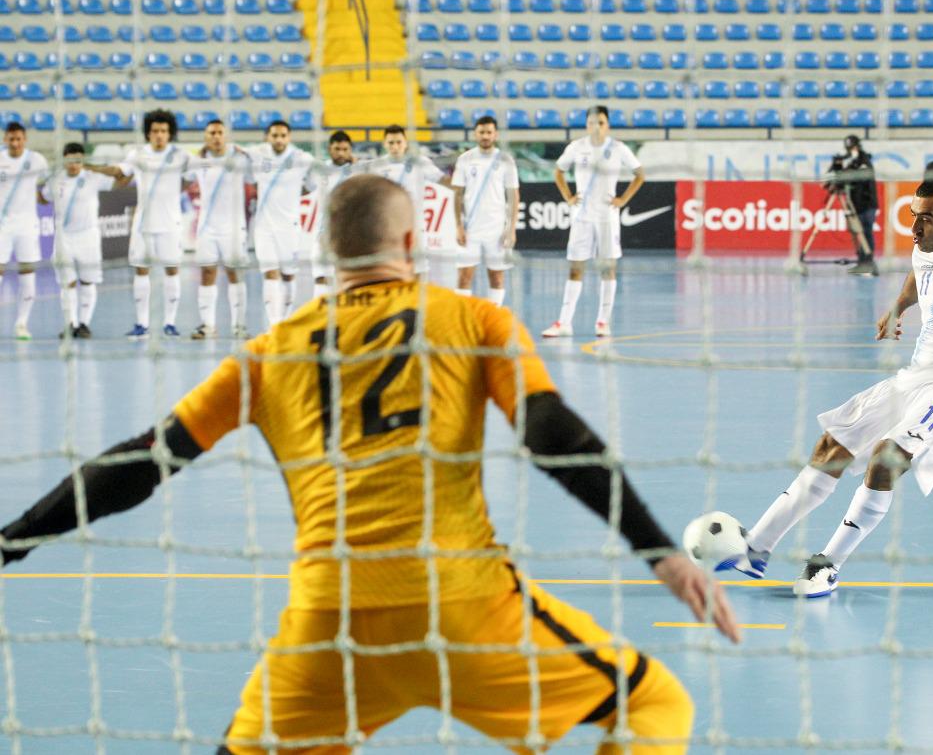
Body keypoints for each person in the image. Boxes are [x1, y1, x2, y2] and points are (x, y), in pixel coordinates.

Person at [0, 173, 739, 754]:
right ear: (414, 242)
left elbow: (140, 462)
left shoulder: (268, 351)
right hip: (463, 606)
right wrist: (660, 554)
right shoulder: (474, 318)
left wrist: (12, 539)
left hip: (329, 626)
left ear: (325, 252)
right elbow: (550, 433)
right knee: (654, 702)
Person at [728, 180, 933, 598]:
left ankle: (827, 564)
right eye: (913, 217)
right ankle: (756, 547)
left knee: (888, 457)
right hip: (918, 376)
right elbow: (917, 273)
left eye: (925, 219)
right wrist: (897, 307)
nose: (914, 228)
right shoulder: (926, 246)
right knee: (832, 446)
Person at [85, 109, 194, 339]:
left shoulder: (181, 156)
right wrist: (92, 167)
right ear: (148, 133)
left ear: (170, 133)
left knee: (172, 271)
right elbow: (119, 172)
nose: (159, 135)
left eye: (164, 131)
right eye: (155, 131)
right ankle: (141, 324)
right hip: (143, 225)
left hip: (171, 224)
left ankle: (170, 323)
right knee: (141, 271)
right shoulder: (137, 155)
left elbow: (193, 177)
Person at [543, 106, 645, 338]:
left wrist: (623, 199)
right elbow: (558, 171)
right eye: (591, 122)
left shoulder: (618, 148)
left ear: (607, 124)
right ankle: (564, 323)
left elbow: (640, 174)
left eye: (600, 122)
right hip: (581, 217)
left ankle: (602, 322)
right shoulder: (577, 147)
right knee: (576, 268)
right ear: (586, 125)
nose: (596, 126)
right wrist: (568, 197)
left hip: (607, 218)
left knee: (608, 269)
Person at [189, 120, 255, 340]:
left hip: (234, 228)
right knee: (207, 274)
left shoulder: (240, 158)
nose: (216, 137)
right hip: (206, 228)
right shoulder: (197, 160)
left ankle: (239, 326)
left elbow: (255, 180)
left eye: (220, 133)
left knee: (234, 274)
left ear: (226, 135)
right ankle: (207, 326)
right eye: (212, 133)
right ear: (206, 137)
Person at [38, 143, 112, 338]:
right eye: (70, 160)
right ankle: (70, 323)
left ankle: (84, 323)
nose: (74, 165)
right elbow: (43, 197)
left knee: (88, 281)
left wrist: (95, 167)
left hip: (88, 236)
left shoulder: (93, 178)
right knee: (67, 282)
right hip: (64, 238)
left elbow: (119, 180)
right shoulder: (56, 180)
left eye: (78, 160)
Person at [247, 120, 316, 327]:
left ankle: (285, 320)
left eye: (283, 135)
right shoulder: (257, 154)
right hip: (264, 228)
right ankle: (274, 324)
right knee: (270, 273)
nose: (279, 139)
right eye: (274, 135)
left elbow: (310, 186)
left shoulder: (302, 159)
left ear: (289, 137)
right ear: (267, 137)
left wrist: (290, 196)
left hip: (290, 228)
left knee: (288, 276)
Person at [364, 125, 452, 281]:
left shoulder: (420, 163)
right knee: (389, 269)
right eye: (391, 143)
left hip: (414, 227)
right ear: (384, 144)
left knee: (419, 269)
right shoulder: (376, 167)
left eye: (398, 142)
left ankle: (418, 303)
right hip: (387, 228)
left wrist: (462, 181)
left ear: (405, 143)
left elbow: (443, 180)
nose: (395, 146)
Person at [450, 115, 519, 306]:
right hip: (469, 228)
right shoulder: (465, 159)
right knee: (464, 276)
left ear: (495, 134)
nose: (485, 136)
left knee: (496, 277)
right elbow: (457, 194)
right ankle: (463, 322)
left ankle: (493, 317)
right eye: (481, 132)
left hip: (497, 229)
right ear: (475, 134)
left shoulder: (506, 160)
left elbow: (514, 196)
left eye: (489, 132)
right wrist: (458, 226)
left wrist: (511, 229)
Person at [0, 121, 50, 340]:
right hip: (3, 225)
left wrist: (44, 196)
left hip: (27, 225)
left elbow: (48, 184)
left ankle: (22, 323)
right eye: (11, 138)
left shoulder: (36, 160)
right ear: (5, 140)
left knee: (27, 274)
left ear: (25, 139)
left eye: (19, 138)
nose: (15, 143)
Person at [305, 130, 356, 300]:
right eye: (337, 149)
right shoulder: (320, 170)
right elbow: (305, 188)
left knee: (348, 281)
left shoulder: (359, 171)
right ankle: (320, 320)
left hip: (349, 236)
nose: (341, 153)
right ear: (329, 149)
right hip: (323, 235)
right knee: (321, 279)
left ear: (350, 150)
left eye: (344, 149)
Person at [824, 134, 879, 276]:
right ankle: (861, 262)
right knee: (857, 233)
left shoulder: (864, 160)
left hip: (867, 203)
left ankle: (868, 262)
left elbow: (857, 176)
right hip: (856, 204)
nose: (851, 150)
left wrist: (844, 173)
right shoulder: (852, 162)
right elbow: (839, 176)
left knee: (865, 232)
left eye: (852, 147)